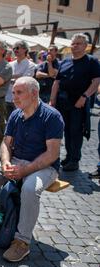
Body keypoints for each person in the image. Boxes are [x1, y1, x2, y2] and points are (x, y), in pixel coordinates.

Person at [0, 77, 64, 262]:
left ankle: (22, 242)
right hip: (17, 160)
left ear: (34, 93)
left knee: (29, 189)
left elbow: (52, 154)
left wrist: (25, 170)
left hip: (44, 166)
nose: (15, 97)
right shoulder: (15, 114)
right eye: (14, 93)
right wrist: (5, 163)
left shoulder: (52, 116)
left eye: (19, 92)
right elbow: (6, 143)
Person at [50, 33, 100, 172]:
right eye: (73, 43)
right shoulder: (65, 61)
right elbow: (57, 81)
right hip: (62, 102)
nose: (75, 46)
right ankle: (69, 156)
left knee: (76, 131)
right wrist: (52, 100)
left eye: (78, 43)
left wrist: (85, 97)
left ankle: (75, 160)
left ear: (85, 46)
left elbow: (96, 82)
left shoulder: (91, 61)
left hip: (79, 102)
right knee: (66, 130)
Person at [5, 41, 37, 117]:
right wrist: (17, 76)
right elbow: (4, 78)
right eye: (14, 48)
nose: (15, 50)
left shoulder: (31, 65)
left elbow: (24, 81)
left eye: (17, 48)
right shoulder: (10, 64)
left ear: (25, 49)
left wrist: (10, 77)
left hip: (22, 100)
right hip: (7, 98)